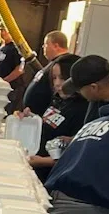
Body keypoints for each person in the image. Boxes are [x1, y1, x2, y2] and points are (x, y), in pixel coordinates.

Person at [29, 53, 88, 182]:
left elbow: (75, 153)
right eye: (54, 78)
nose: (57, 83)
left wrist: (42, 161)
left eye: (62, 78)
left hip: (51, 176)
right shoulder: (58, 99)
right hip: (35, 166)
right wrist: (31, 119)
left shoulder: (83, 109)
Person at [23, 30, 71, 116]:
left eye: (45, 44)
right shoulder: (52, 64)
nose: (43, 47)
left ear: (56, 46)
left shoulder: (63, 64)